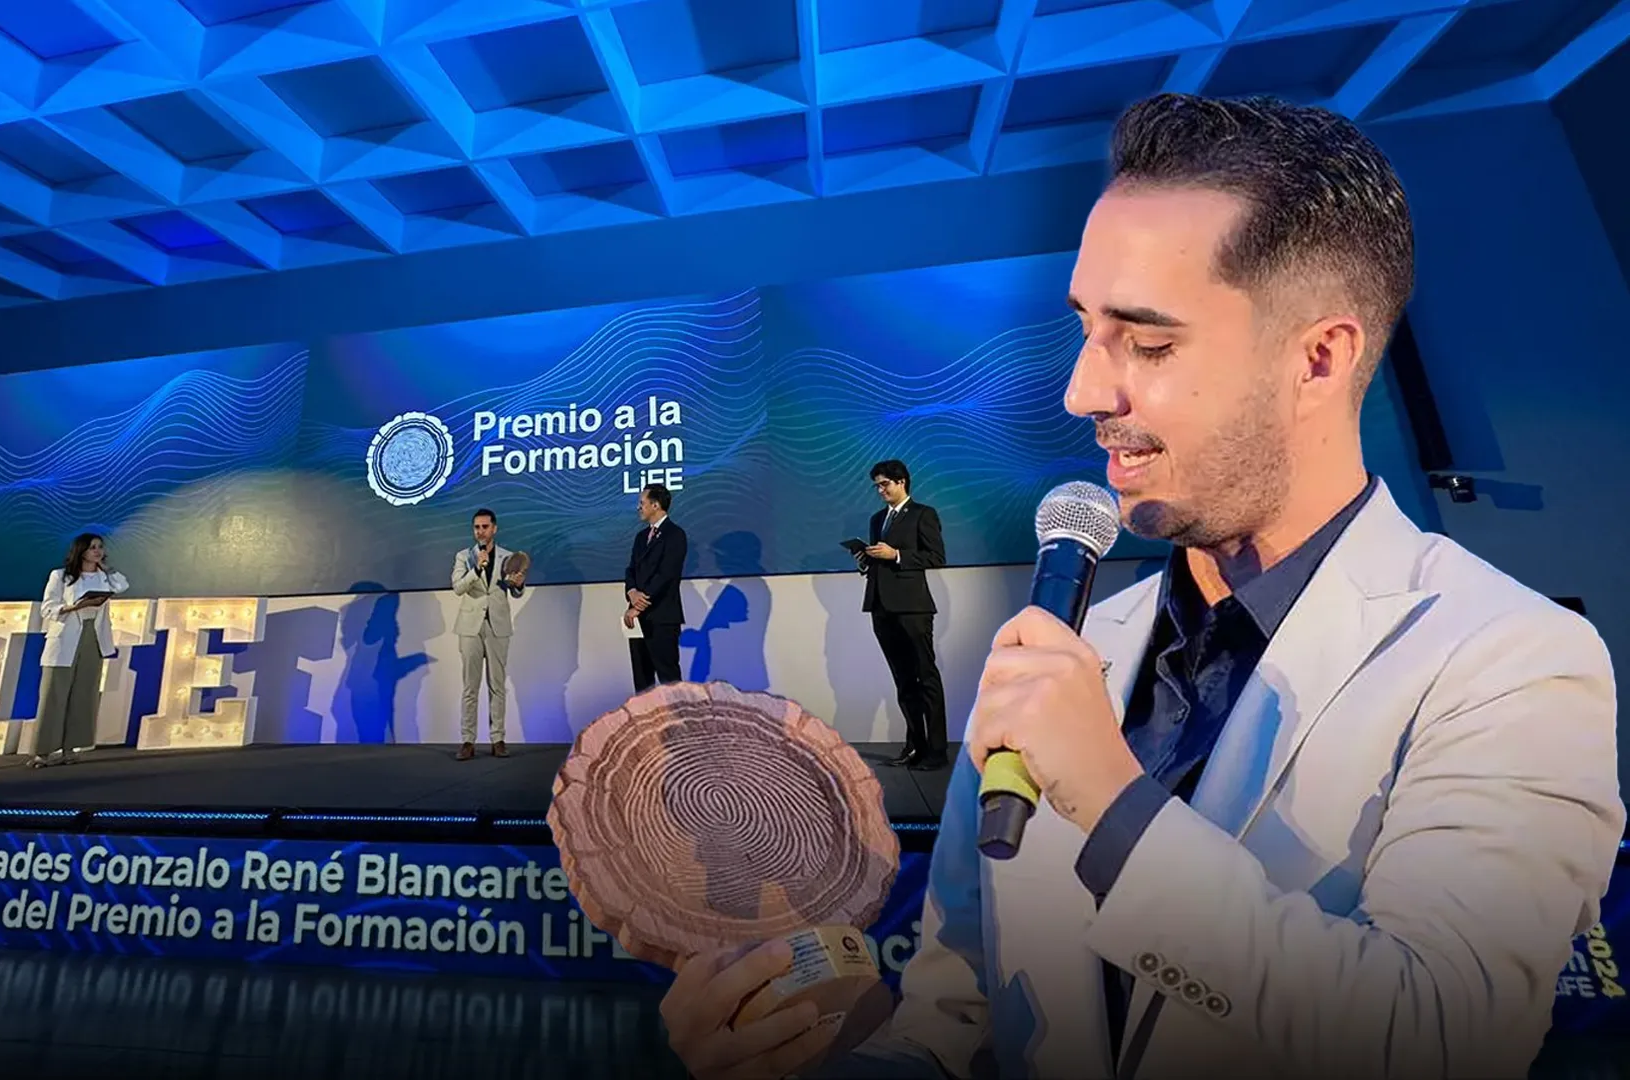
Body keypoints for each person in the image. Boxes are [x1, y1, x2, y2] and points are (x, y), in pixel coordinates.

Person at [658, 93, 1623, 1079]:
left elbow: (1442, 1039)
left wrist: (1115, 805)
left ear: (1319, 358)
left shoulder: (1512, 662)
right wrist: (817, 1058)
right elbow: (961, 1018)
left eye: (1150, 343)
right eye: (1085, 328)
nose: (1082, 391)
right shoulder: (1061, 648)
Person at [858, 459, 948, 769]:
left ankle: (936, 752)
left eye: (884, 484)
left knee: (926, 678)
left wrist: (895, 554)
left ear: (902, 482)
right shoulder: (877, 519)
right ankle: (915, 746)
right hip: (881, 607)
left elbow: (936, 557)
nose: (880, 490)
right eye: (877, 486)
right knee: (904, 681)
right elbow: (879, 560)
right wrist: (866, 559)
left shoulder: (923, 514)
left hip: (913, 607)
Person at [31, 532, 128, 768]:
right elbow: (47, 607)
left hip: (92, 637)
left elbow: (123, 585)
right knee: (55, 693)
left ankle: (70, 748)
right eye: (92, 547)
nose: (97, 551)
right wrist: (73, 606)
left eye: (100, 547)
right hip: (66, 636)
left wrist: (106, 567)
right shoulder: (61, 576)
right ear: (81, 550)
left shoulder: (104, 577)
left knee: (85, 692)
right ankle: (44, 751)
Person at [451, 508, 526, 760]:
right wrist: (477, 569)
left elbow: (514, 591)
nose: (480, 531)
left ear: (494, 528)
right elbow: (458, 587)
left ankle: (498, 739)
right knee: (470, 687)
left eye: (484, 527)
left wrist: (517, 585)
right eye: (476, 527)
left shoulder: (507, 557)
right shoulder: (464, 556)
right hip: (470, 627)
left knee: (497, 685)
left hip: (498, 626)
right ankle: (468, 741)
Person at [624, 483, 687, 691]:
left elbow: (666, 575)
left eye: (642, 503)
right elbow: (631, 570)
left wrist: (640, 605)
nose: (638, 507)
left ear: (656, 505)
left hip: (662, 619)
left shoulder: (675, 534)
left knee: (669, 680)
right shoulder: (641, 537)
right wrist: (631, 592)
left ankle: (678, 723)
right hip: (638, 621)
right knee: (642, 683)